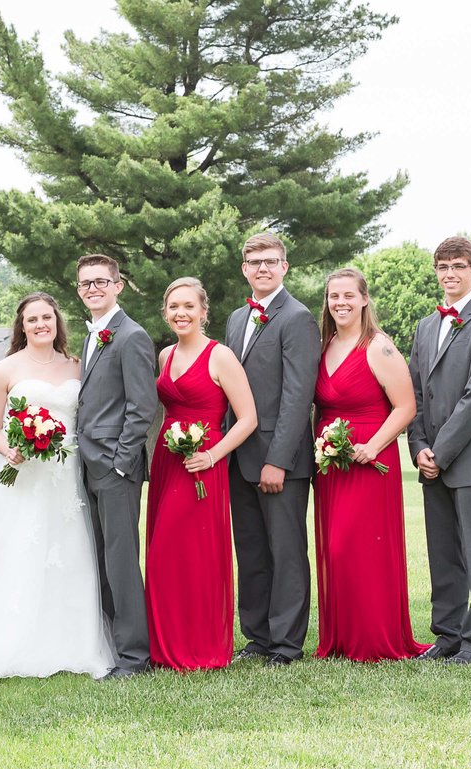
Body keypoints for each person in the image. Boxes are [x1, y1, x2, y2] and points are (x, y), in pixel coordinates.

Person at [0, 293, 115, 678]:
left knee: (69, 551)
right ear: (22, 326)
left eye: (47, 317)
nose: (41, 324)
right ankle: (5, 638)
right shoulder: (4, 369)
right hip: (20, 475)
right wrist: (10, 450)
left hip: (65, 478)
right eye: (32, 319)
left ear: (57, 321)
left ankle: (70, 641)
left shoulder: (78, 366)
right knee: (14, 551)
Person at [313, 269, 430, 662]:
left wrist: (373, 446)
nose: (340, 303)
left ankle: (373, 639)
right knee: (336, 548)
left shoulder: (378, 347)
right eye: (333, 296)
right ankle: (342, 638)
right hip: (332, 462)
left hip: (369, 460)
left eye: (348, 295)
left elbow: (406, 406)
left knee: (361, 547)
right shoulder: (325, 344)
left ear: (364, 299)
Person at [146, 278, 257, 671]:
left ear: (203, 312)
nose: (181, 313)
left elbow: (248, 419)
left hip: (203, 463)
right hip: (167, 460)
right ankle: (164, 645)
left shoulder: (220, 356)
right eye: (174, 306)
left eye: (189, 306)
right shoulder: (164, 357)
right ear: (166, 312)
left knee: (194, 553)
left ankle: (201, 645)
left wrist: (211, 456)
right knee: (163, 551)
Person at [408, 237, 471, 665]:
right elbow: (413, 393)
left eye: (459, 266)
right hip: (432, 460)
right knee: (443, 555)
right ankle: (447, 636)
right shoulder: (426, 326)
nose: (450, 273)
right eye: (443, 266)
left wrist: (440, 452)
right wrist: (418, 448)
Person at [224, 233, 321, 667]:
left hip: (280, 460)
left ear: (285, 267)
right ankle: (258, 636)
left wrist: (278, 460)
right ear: (244, 269)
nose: (262, 268)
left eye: (271, 261)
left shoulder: (297, 318)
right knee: (251, 549)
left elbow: (299, 396)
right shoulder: (235, 318)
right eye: (254, 262)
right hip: (238, 457)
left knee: (285, 552)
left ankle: (286, 644)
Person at [75, 254, 158, 679]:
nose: (93, 289)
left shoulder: (132, 337)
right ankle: (111, 644)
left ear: (118, 285)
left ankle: (134, 657)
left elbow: (142, 407)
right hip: (87, 465)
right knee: (102, 559)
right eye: (86, 283)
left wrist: (122, 463)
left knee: (121, 562)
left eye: (101, 282)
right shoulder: (92, 336)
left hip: (114, 468)